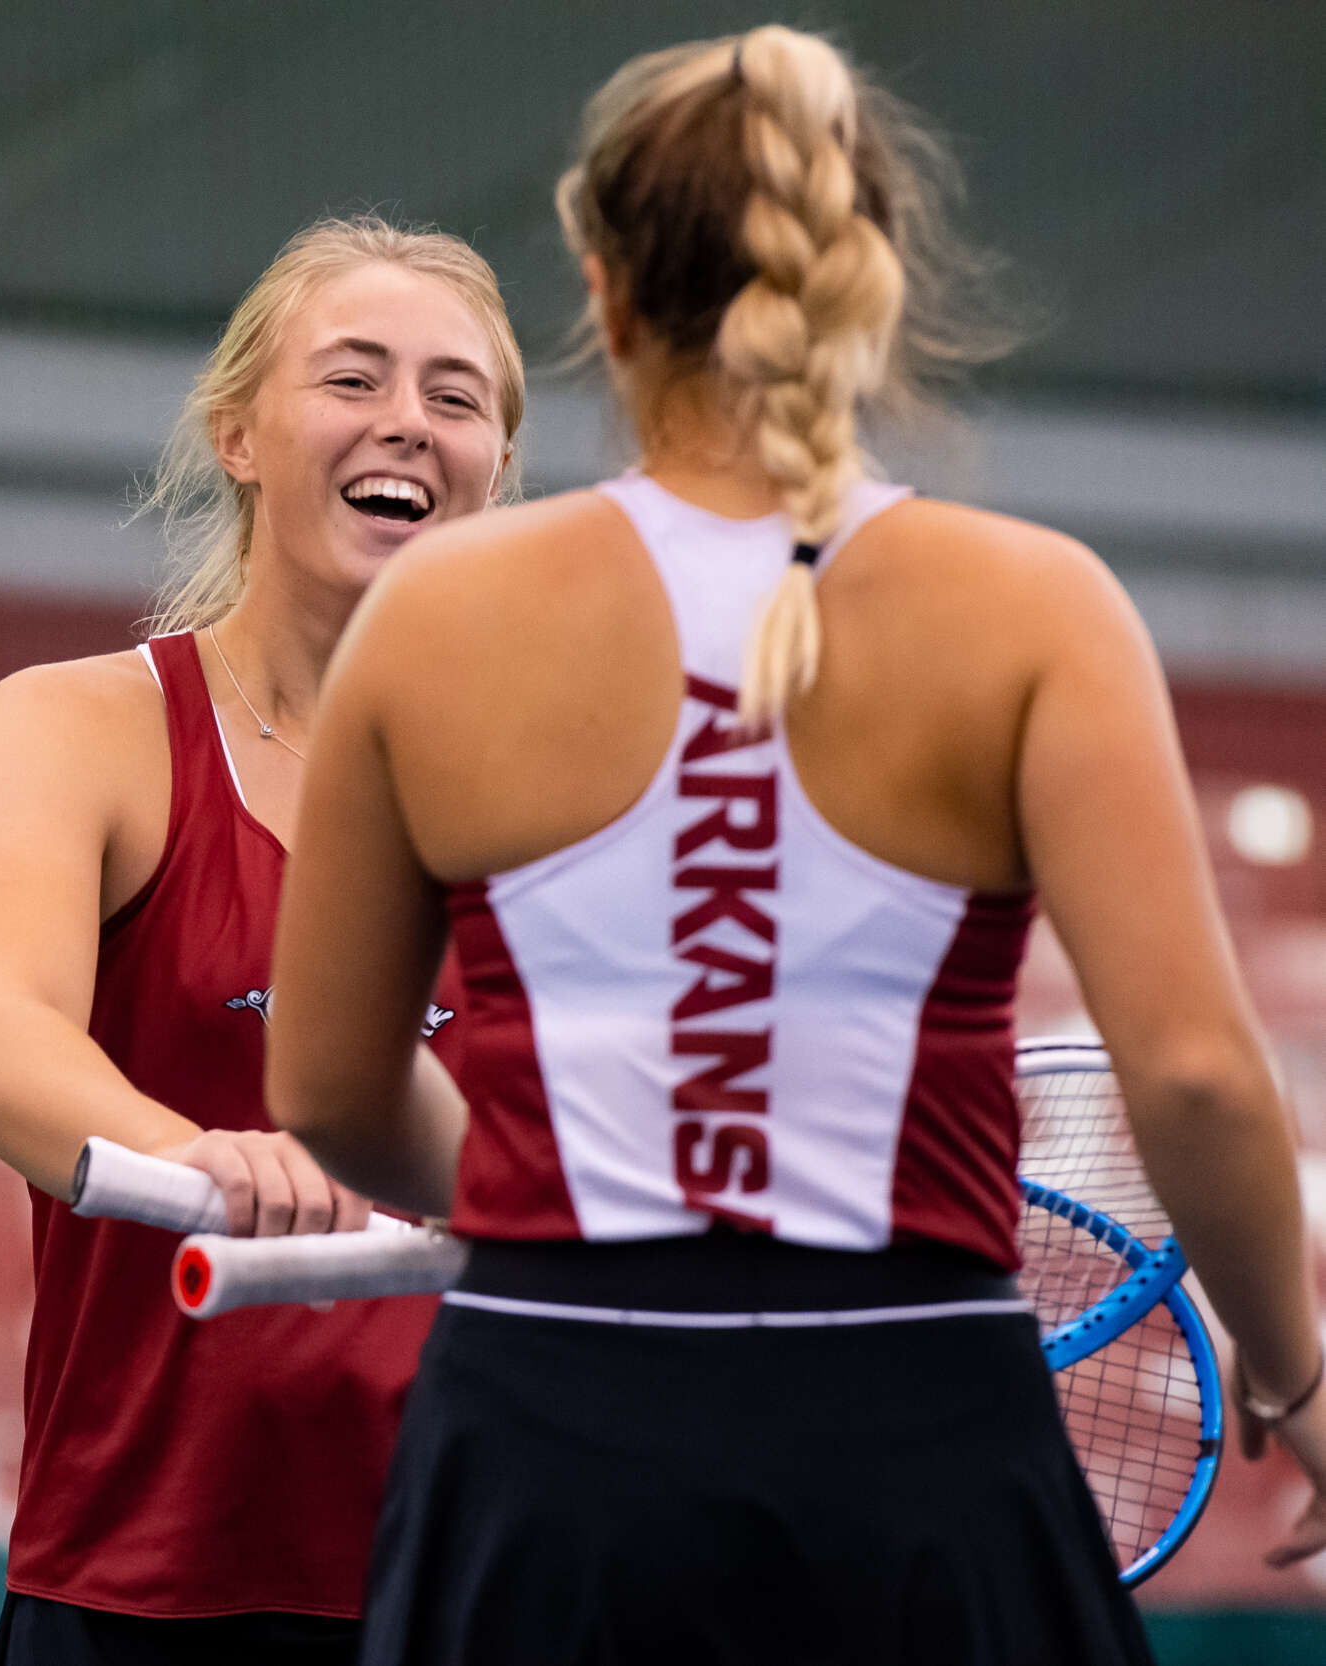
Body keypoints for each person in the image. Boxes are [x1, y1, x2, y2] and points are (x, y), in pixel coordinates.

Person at [262, 27, 1326, 1666]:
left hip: (547, 1445)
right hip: (922, 1442)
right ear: (871, 291)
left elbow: (328, 1089)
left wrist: (547, 1187)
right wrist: (1297, 1366)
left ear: (605, 295)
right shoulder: (1036, 608)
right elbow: (1190, 1074)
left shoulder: (436, 619)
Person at [0, 215, 526, 1664]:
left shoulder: (572, 783)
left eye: (456, 398)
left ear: (495, 467)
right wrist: (203, 1153)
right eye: (355, 379)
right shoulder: (71, 728)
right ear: (239, 434)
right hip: (136, 1593)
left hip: (483, 1586)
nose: (408, 423)